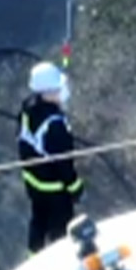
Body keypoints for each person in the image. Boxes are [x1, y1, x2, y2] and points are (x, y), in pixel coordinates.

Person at [17, 61, 83, 254]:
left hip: (32, 182)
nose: (61, 92)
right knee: (61, 230)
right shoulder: (55, 126)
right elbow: (65, 164)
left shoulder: (27, 110)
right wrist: (76, 188)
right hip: (54, 189)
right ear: (47, 92)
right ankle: (60, 262)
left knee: (38, 220)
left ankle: (33, 256)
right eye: (57, 88)